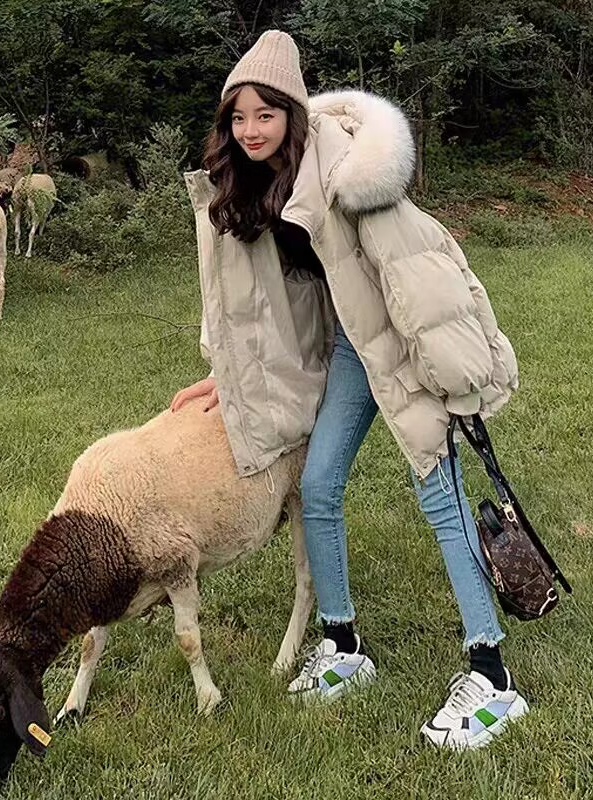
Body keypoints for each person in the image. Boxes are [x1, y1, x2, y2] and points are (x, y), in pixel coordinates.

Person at [171, 30, 528, 749]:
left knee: (439, 493)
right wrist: (227, 374)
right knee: (320, 484)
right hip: (350, 349)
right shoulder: (265, 180)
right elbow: (269, 303)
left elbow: (420, 277)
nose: (250, 130)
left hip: (405, 345)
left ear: (292, 112)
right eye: (238, 117)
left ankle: (492, 676)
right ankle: (342, 643)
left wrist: (454, 380)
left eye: (265, 114)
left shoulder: (351, 177)